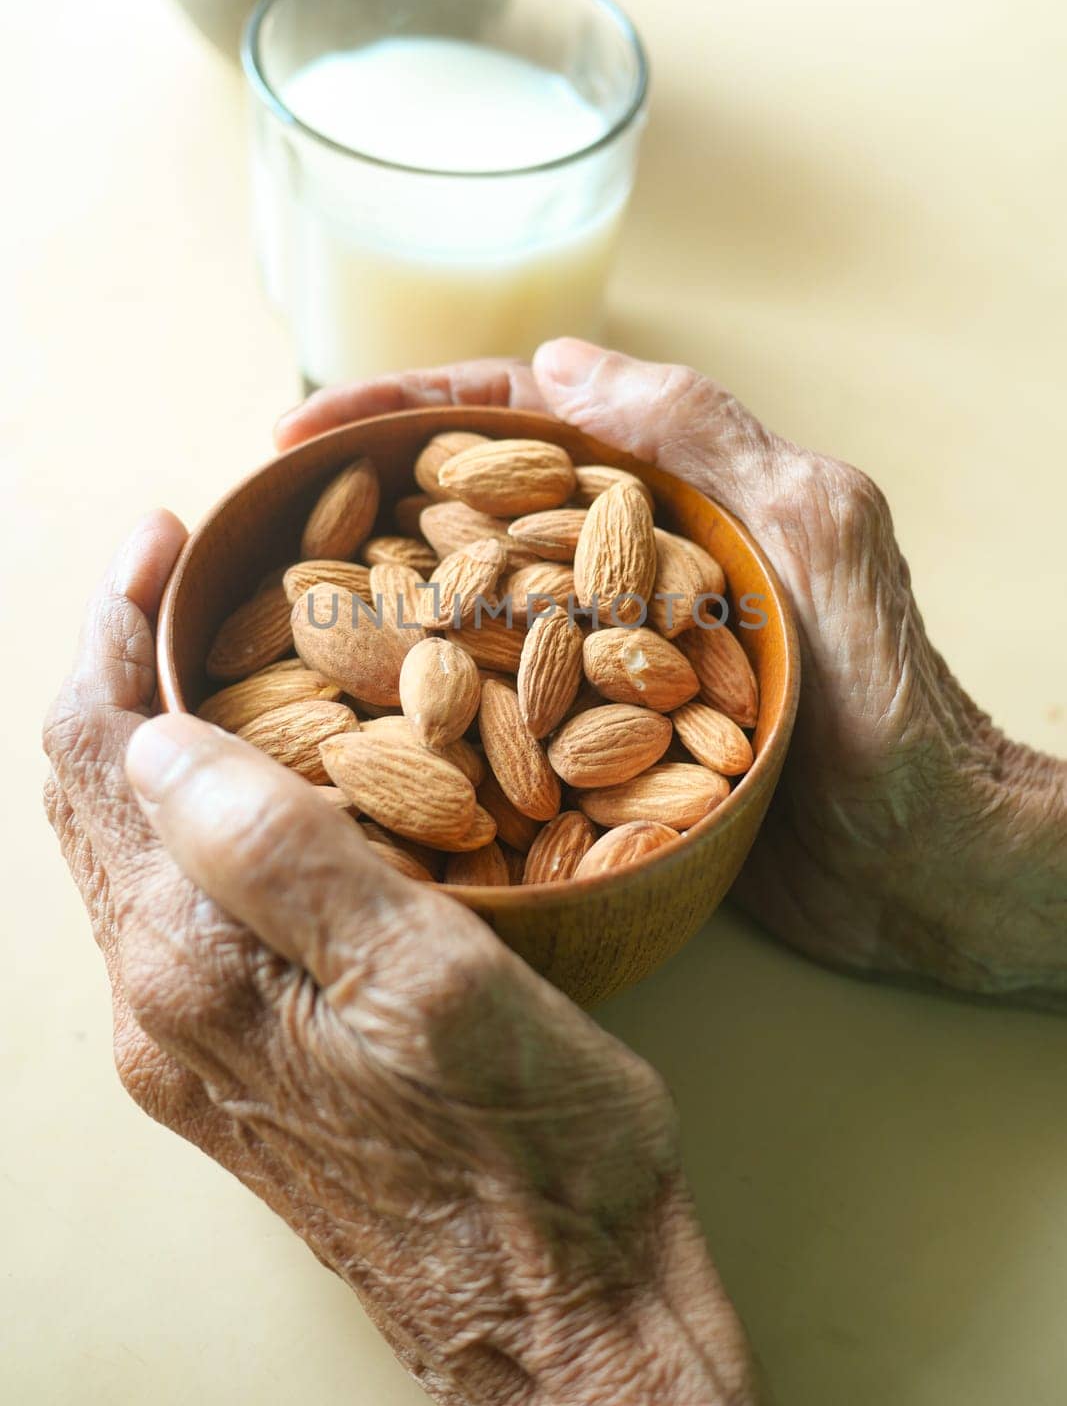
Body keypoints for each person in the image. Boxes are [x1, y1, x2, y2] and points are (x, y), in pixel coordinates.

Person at [43, 338, 1067, 1405]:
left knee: (543, 779)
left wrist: (574, 1340)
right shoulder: (397, 657)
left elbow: (570, 759)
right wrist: (1000, 875)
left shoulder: (557, 671)